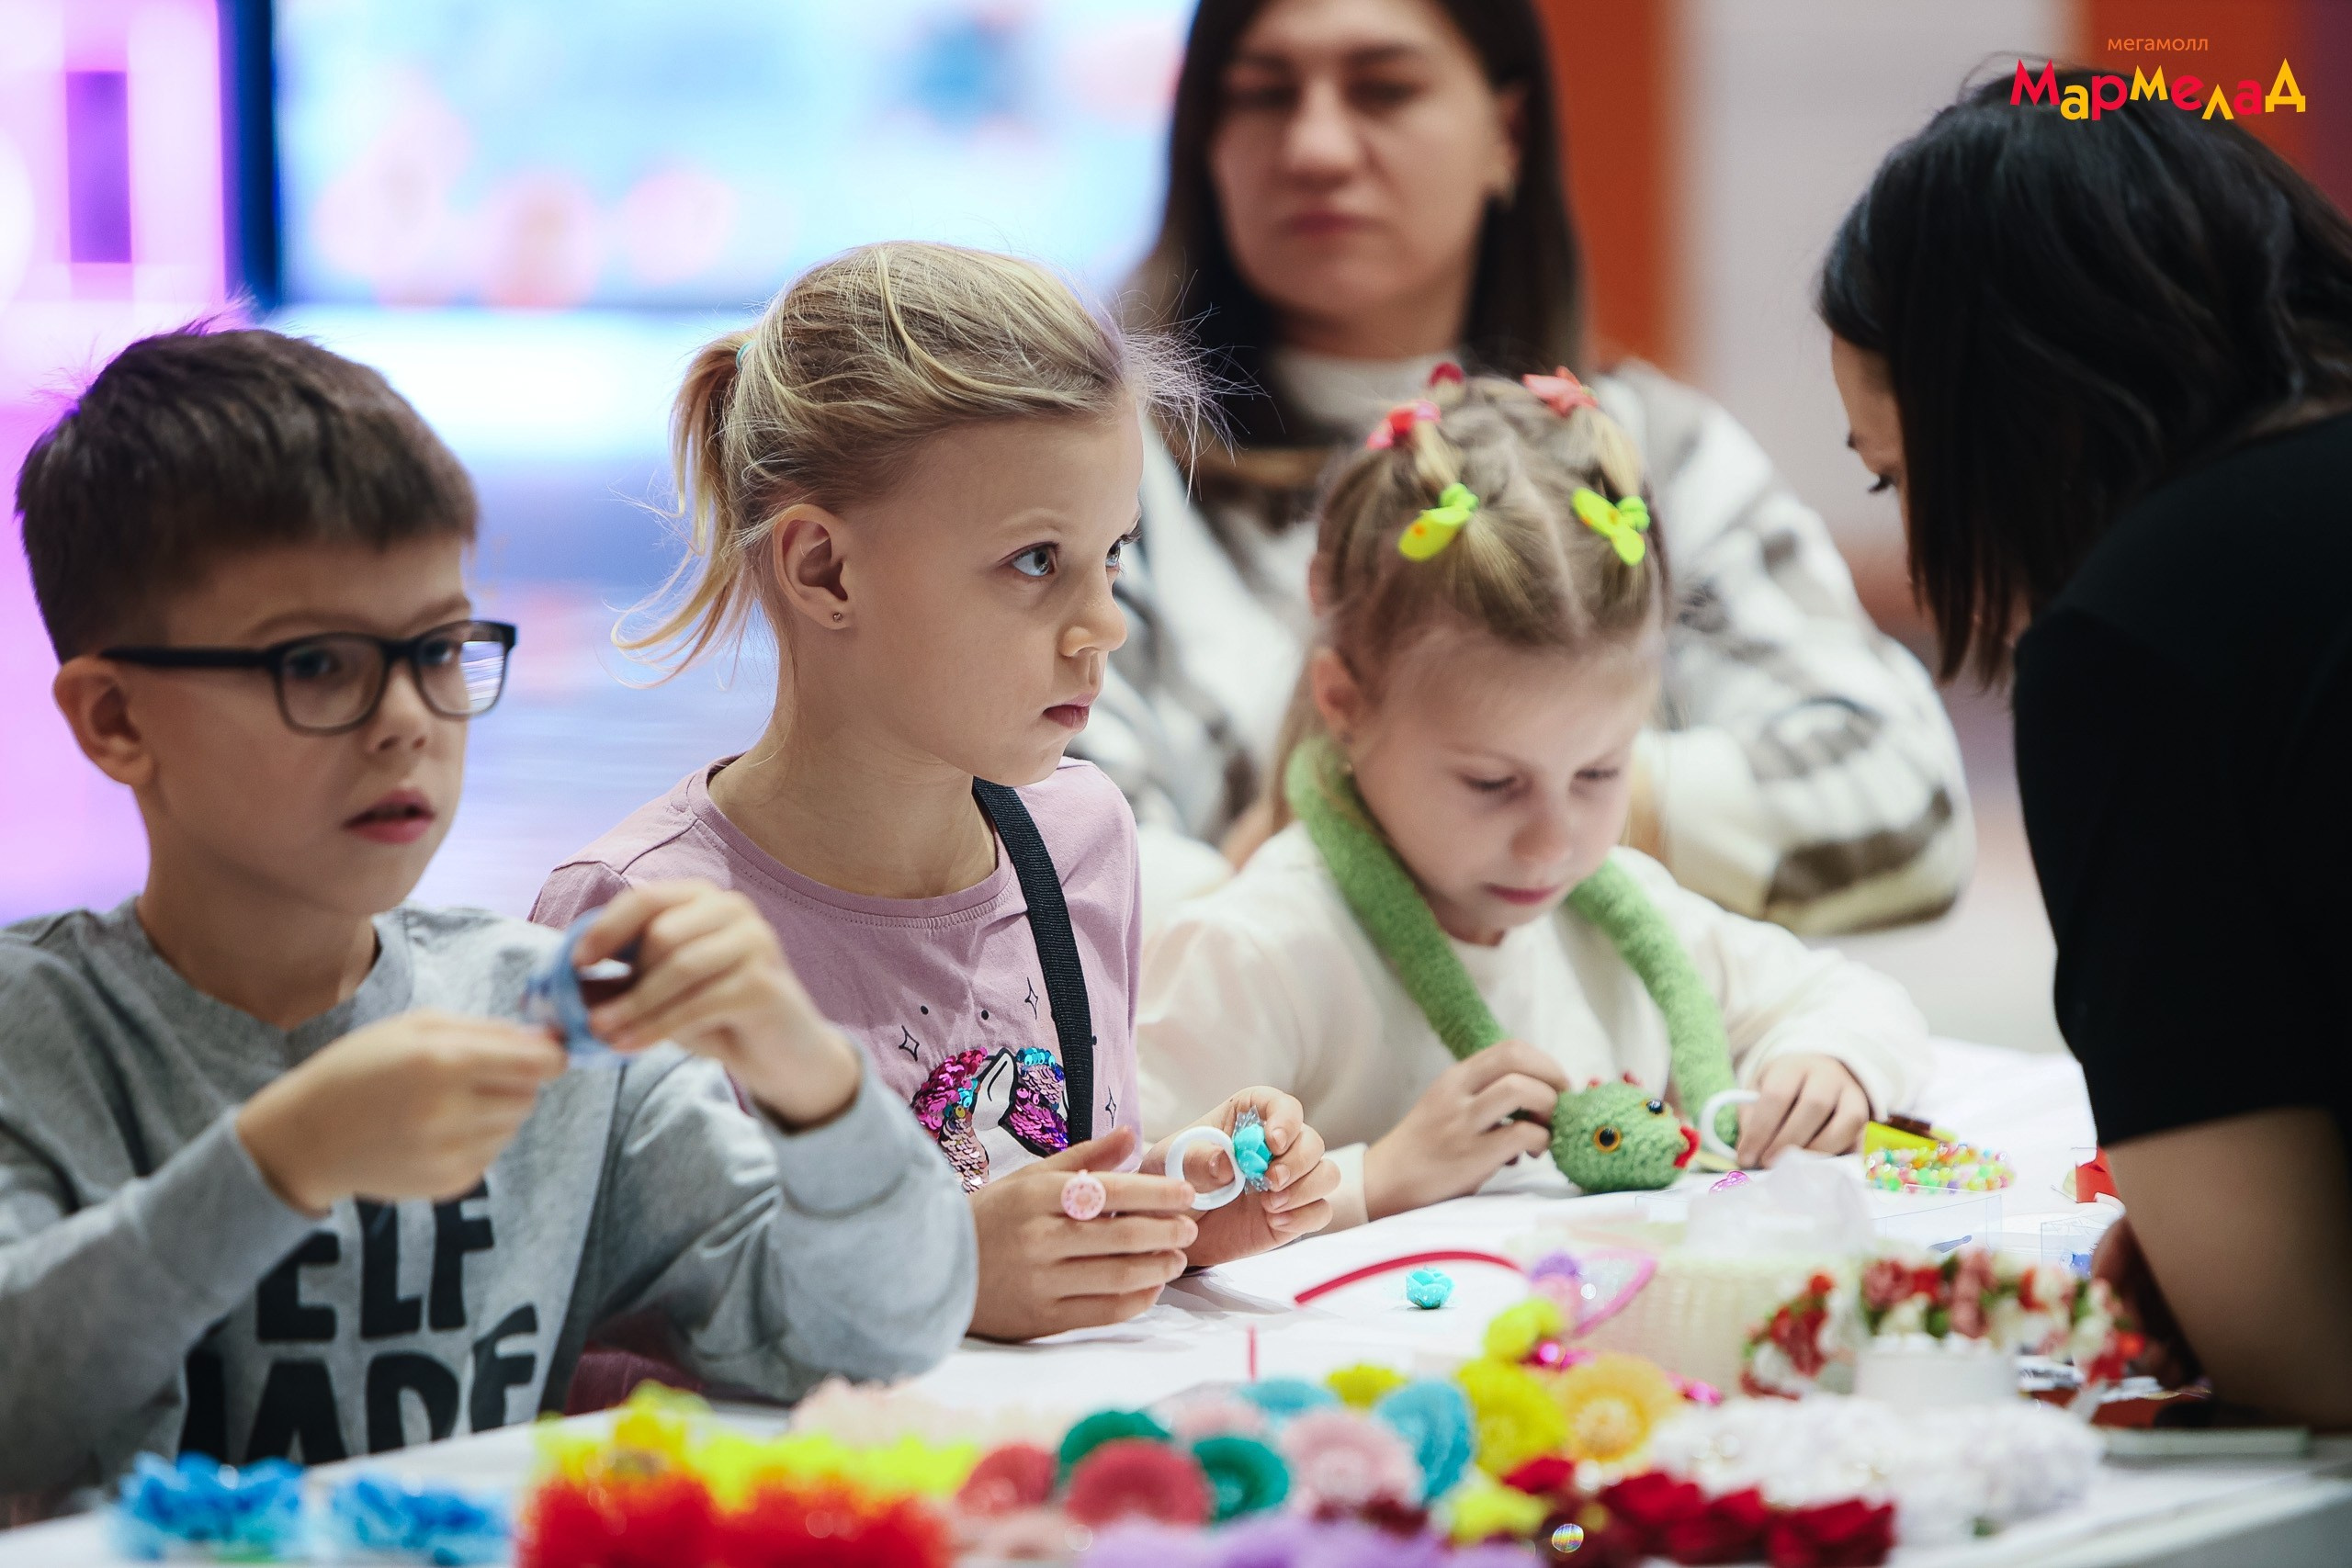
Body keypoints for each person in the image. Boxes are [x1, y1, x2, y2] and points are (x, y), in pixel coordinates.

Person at [0, 330, 975, 1505]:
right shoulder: (32, 1036)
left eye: (439, 650)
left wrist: (807, 1079)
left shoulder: (546, 1025)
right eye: (317, 665)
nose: (407, 719)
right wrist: (278, 1162)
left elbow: (876, 1336)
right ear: (116, 720)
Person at [534, 243, 1340, 1344]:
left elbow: (1036, 1190)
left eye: (1113, 553)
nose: (1104, 624)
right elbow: (585, 1351)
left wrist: (1178, 1206)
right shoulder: (632, 918)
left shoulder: (1081, 838)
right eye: (1034, 561)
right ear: (823, 570)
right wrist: (944, 1276)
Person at [1079, 0, 1971, 936]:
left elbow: (1908, 806)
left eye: (1384, 89)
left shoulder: (1647, 446)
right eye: (1263, 95)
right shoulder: (1098, 471)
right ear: (1205, 142)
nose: (1317, 148)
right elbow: (1053, 881)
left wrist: (1532, 789)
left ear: (1505, 134)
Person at [1819, 70, 2352, 1426]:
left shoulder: (2139, 634)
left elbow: (2302, 1356)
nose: (1919, 555)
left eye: (1898, 475)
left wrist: (2224, 1254)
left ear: (2014, 409)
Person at [1139, 372, 1929, 1228]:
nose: (1552, 843)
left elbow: (1858, 1003)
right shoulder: (1259, 952)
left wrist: (1828, 1066)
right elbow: (1136, 1204)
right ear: (1345, 703)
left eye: (1599, 774)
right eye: (1493, 783)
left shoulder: (1617, 919)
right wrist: (1380, 1176)